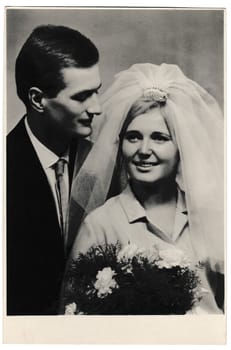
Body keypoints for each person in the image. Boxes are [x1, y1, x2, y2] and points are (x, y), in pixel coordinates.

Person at [63, 63, 224, 314]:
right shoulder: (100, 225)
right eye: (133, 136)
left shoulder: (212, 218)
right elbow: (71, 315)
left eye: (159, 138)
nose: (143, 150)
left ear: (181, 147)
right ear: (120, 144)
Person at [7, 24, 102, 315]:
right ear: (38, 100)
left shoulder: (102, 163)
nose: (96, 108)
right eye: (81, 96)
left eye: (97, 92)